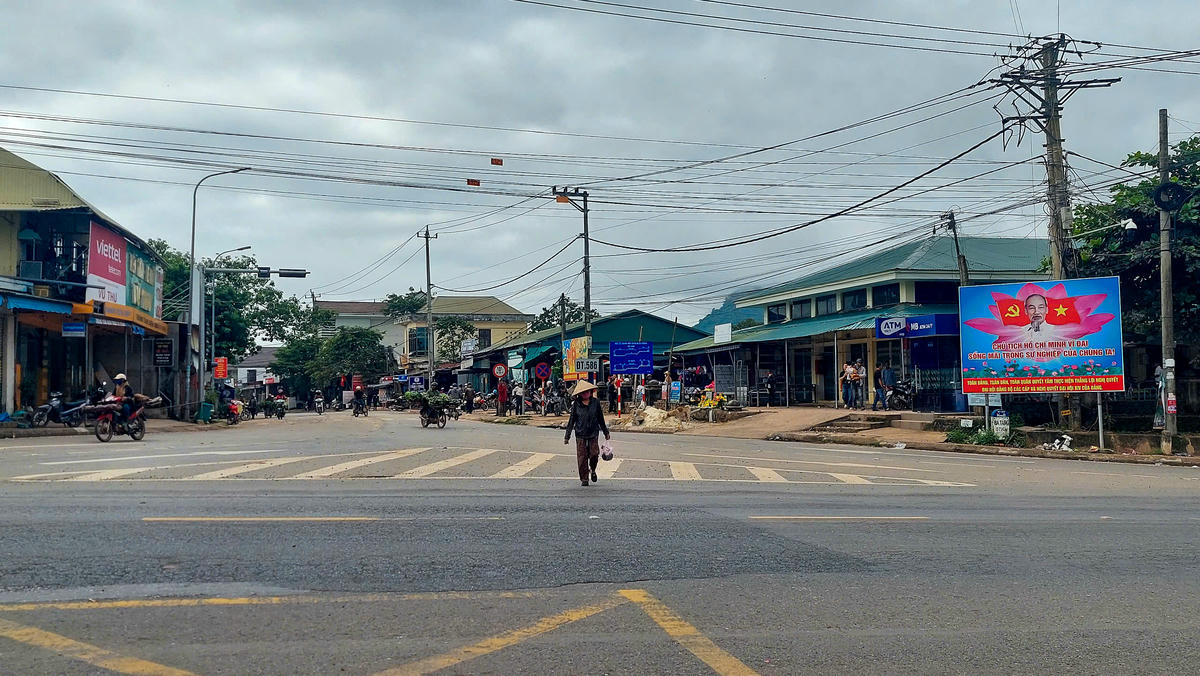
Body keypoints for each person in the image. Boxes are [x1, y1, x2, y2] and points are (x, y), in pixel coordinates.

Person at [563, 380, 610, 487]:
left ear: (590, 392)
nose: (585, 394)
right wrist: (567, 436)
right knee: (582, 457)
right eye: (583, 392)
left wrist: (606, 432)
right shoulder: (576, 405)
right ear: (579, 394)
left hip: (593, 432)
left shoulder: (596, 402)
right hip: (580, 433)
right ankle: (584, 478)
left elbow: (600, 419)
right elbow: (571, 421)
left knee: (594, 454)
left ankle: (592, 470)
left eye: (587, 392)